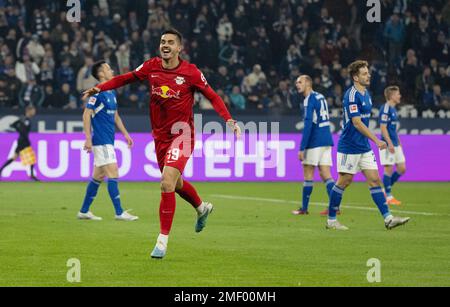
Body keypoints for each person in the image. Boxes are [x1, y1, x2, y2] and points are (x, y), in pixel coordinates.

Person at [82, 29, 241, 259]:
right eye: (162, 41)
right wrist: (101, 87)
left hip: (183, 136)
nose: (165, 45)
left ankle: (162, 242)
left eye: (170, 42)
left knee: (166, 183)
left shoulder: (191, 72)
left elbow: (212, 96)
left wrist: (229, 119)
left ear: (179, 48)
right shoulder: (151, 66)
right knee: (176, 184)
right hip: (160, 138)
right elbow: (125, 78)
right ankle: (201, 208)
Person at [325, 60, 410, 230]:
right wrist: (377, 140)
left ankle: (388, 218)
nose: (368, 75)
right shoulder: (351, 95)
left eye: (368, 72)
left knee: (374, 180)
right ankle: (331, 220)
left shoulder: (366, 94)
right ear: (356, 77)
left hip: (363, 146)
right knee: (344, 181)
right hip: (349, 146)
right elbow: (356, 123)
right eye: (364, 73)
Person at [77, 60, 138, 222]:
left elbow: (116, 116)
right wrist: (88, 138)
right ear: (101, 73)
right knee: (113, 173)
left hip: (108, 140)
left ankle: (84, 211)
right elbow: (86, 115)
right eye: (108, 68)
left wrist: (125, 134)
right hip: (101, 140)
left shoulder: (111, 92)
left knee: (98, 176)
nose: (111, 70)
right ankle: (119, 212)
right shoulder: (96, 93)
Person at [292, 75, 337, 216]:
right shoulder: (320, 96)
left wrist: (302, 147)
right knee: (326, 174)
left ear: (308, 83)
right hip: (326, 139)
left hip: (315, 141)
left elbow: (308, 125)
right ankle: (335, 207)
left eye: (300, 82)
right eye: (296, 83)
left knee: (308, 173)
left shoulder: (309, 100)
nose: (297, 84)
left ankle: (304, 209)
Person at [379, 86, 406, 206]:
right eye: (398, 94)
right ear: (392, 96)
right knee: (388, 169)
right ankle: (389, 196)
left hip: (395, 144)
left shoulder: (394, 110)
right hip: (387, 144)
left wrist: (398, 142)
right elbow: (383, 127)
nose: (399, 96)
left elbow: (392, 129)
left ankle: (386, 189)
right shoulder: (385, 108)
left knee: (402, 168)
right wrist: (389, 143)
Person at [0, 105, 38, 181]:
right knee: (32, 158)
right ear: (29, 111)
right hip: (24, 141)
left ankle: (1, 170)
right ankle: (32, 175)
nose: (34, 112)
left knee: (15, 157)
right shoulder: (26, 120)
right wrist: (21, 131)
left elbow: (12, 125)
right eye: (33, 110)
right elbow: (23, 131)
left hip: (21, 140)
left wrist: (18, 128)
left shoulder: (22, 118)